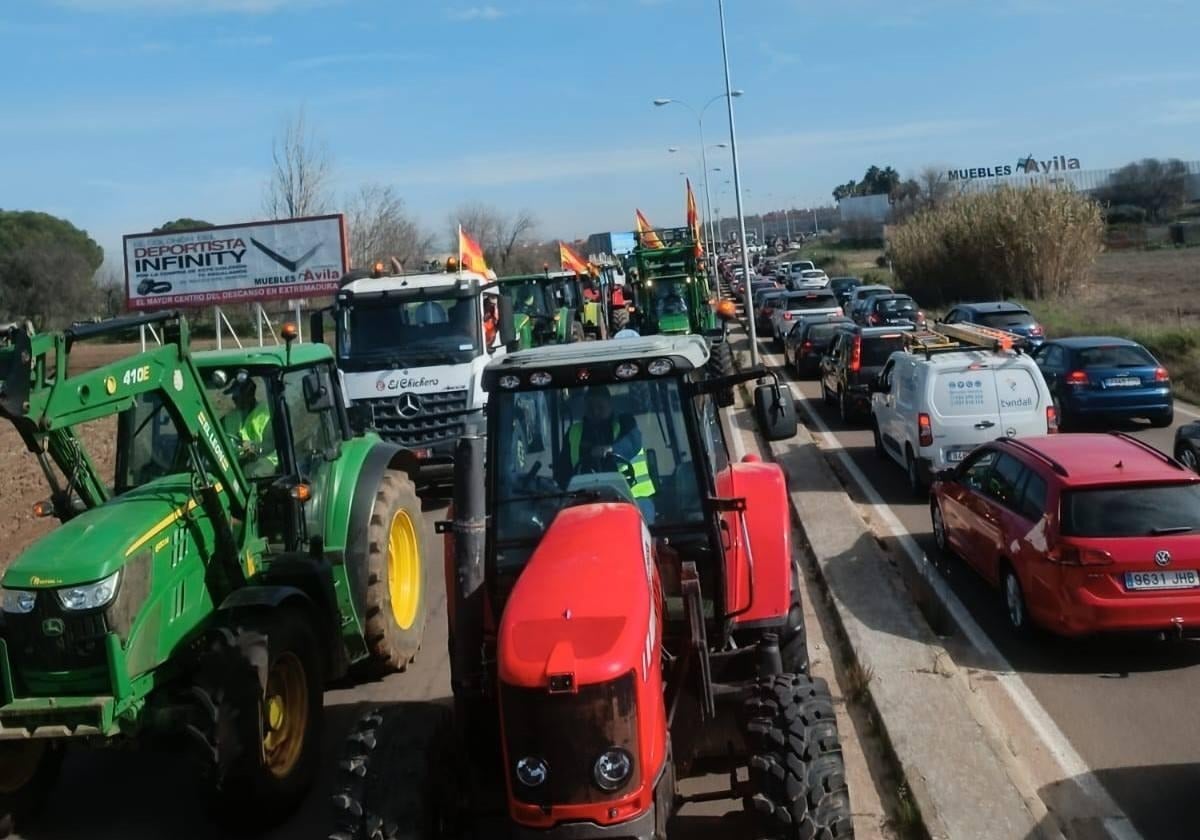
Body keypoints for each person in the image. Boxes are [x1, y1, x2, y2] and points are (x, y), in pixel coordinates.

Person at [562, 385, 656, 522]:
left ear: (610, 405)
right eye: (590, 408)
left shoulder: (625, 423)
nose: (595, 412)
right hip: (588, 501)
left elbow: (632, 442)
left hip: (635, 498)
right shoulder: (574, 432)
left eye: (600, 407)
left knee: (643, 526)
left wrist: (612, 449)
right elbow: (562, 470)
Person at [220, 377, 277, 476]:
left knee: (251, 471)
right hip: (237, 459)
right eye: (233, 394)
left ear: (249, 394)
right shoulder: (230, 418)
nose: (233, 398)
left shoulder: (267, 414)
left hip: (264, 458)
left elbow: (271, 445)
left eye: (236, 394)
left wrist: (254, 447)